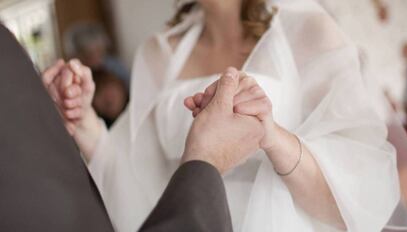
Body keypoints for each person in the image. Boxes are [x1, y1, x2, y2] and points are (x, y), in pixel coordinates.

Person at [44, 0, 400, 231]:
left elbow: (357, 193)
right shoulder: (158, 52)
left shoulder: (310, 30)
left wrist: (271, 137)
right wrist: (83, 122)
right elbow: (137, 178)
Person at [0, 23, 266, 231]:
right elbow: (133, 164)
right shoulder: (155, 50)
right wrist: (205, 160)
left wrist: (83, 120)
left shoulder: (300, 26)